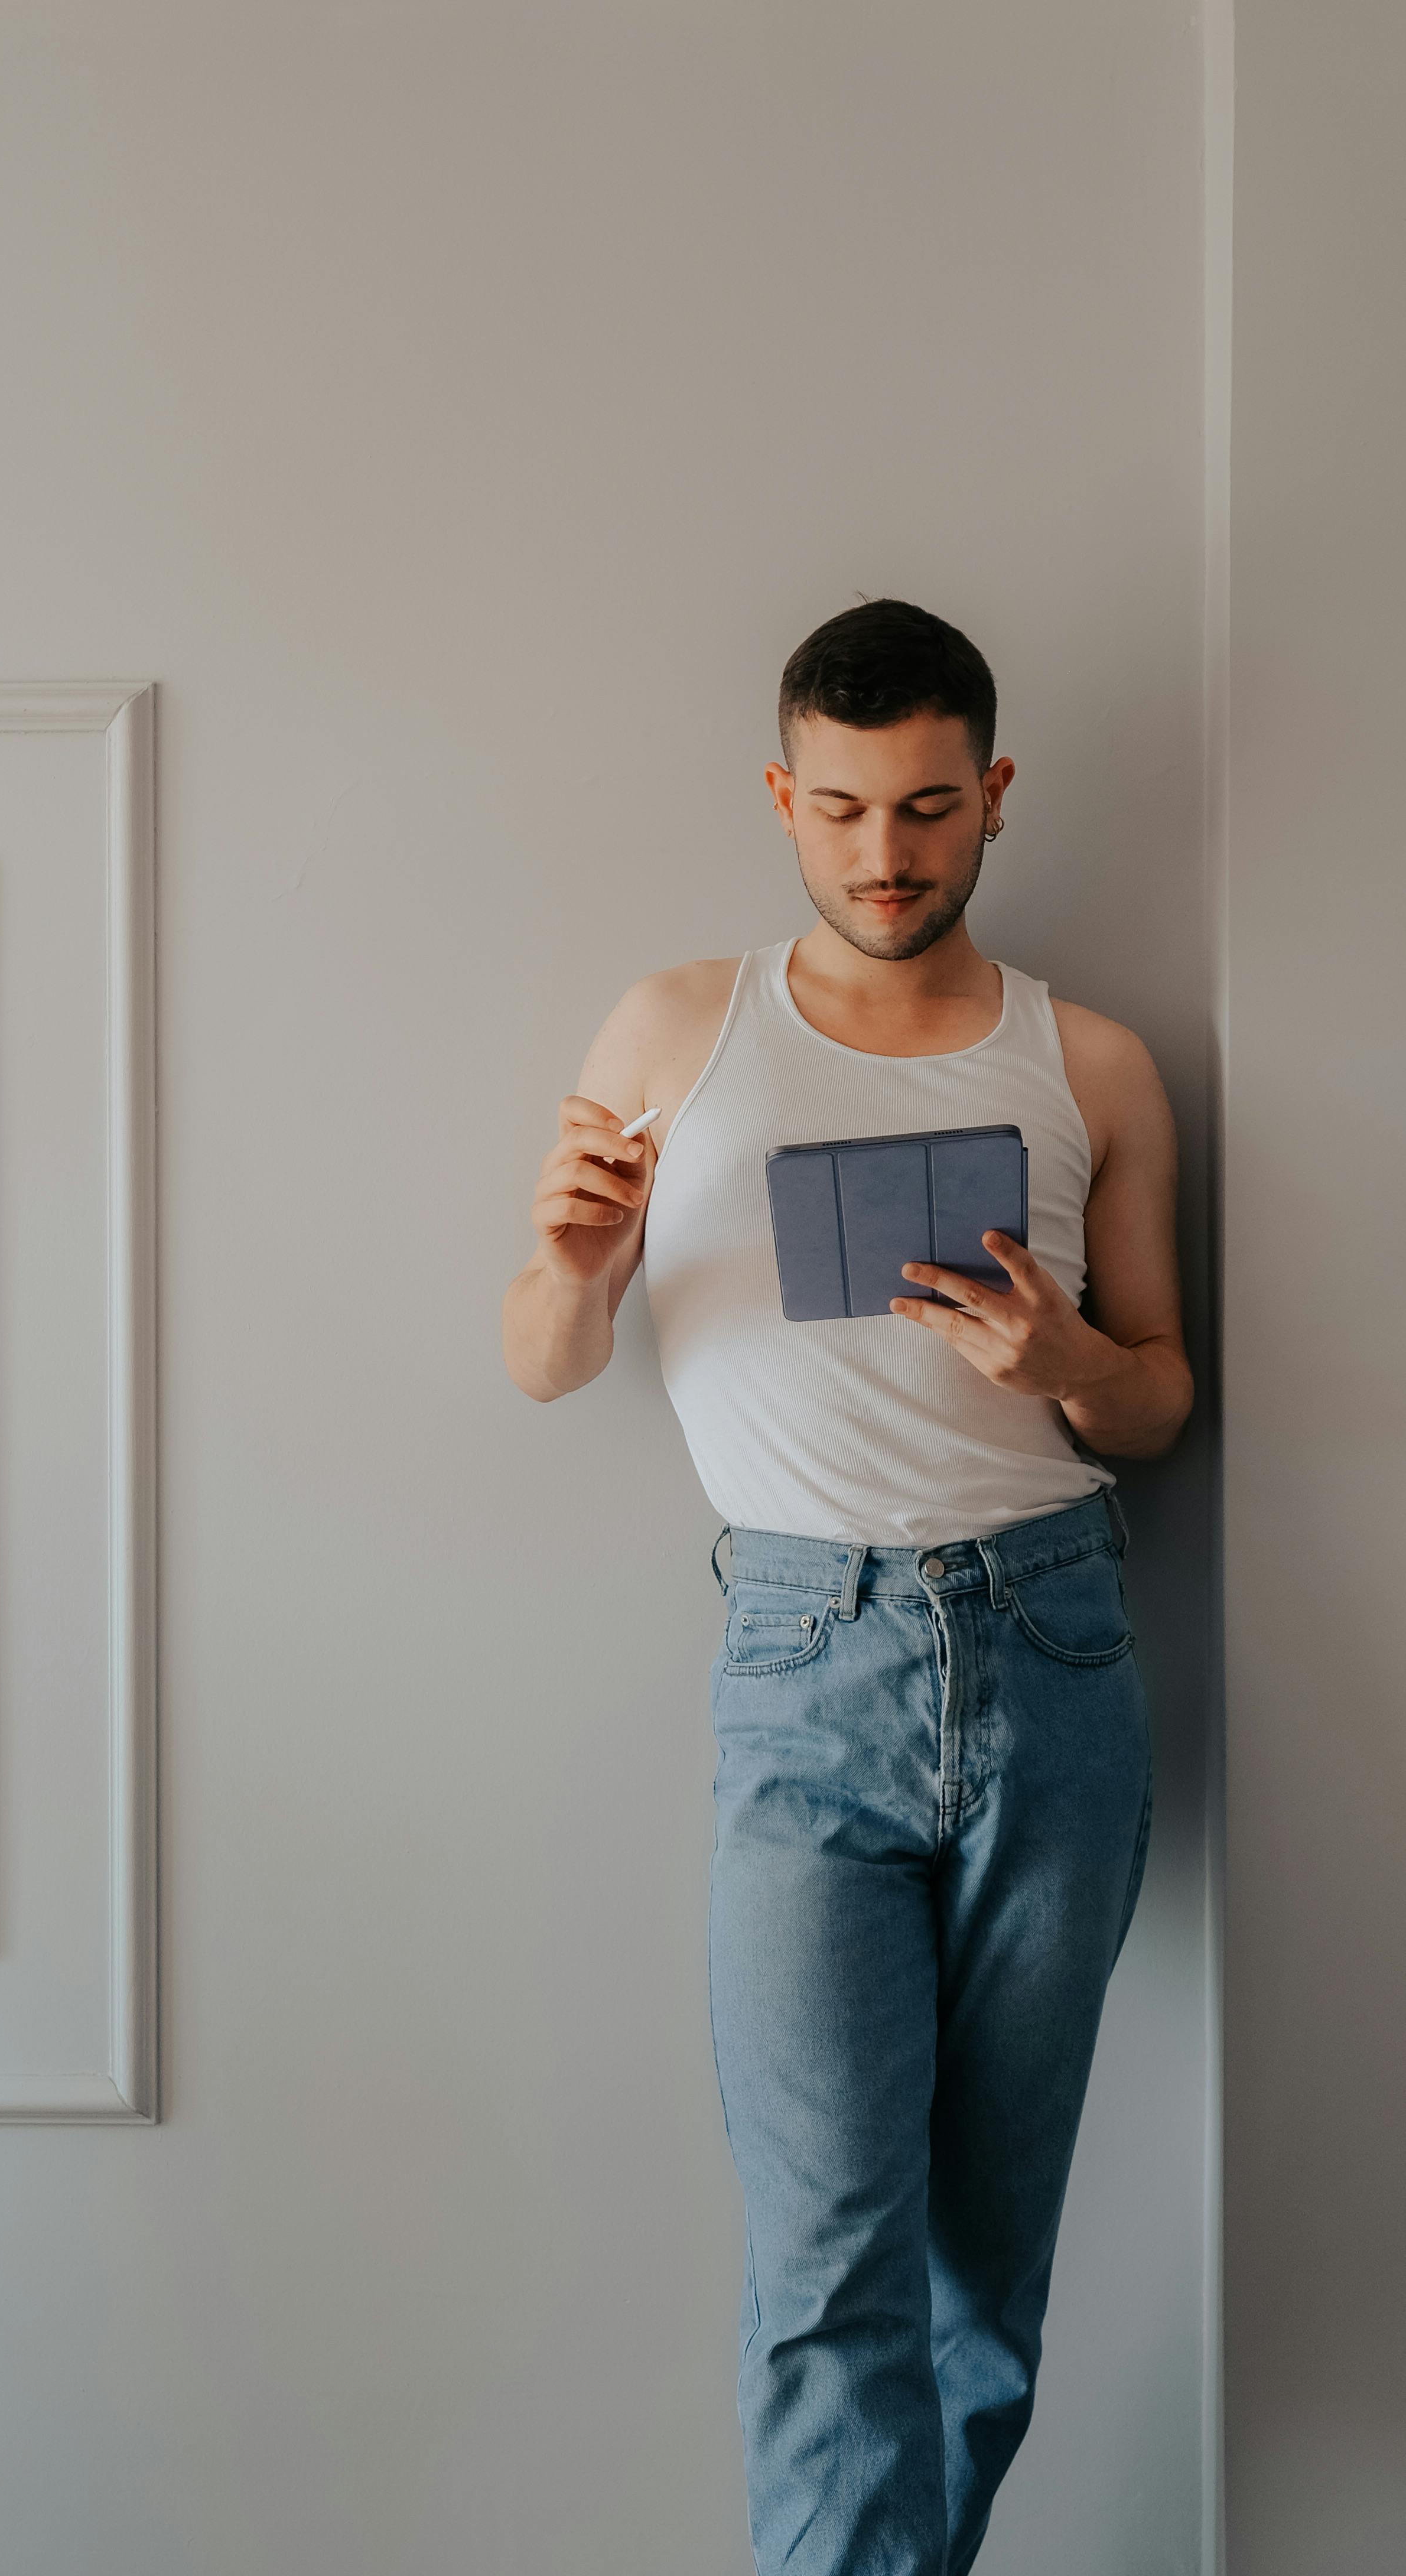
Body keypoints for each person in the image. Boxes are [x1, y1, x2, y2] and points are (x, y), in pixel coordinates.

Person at [501, 597, 1193, 2576]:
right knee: (826, 2261)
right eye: (838, 811)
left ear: (991, 797)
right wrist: (573, 1261)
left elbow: (1161, 1396)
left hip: (1055, 1652)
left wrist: (1068, 1365)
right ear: (781, 803)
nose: (883, 857)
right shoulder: (673, 1029)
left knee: (987, 2274)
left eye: (921, 809)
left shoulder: (1100, 1066)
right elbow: (550, 1364)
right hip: (804, 1664)